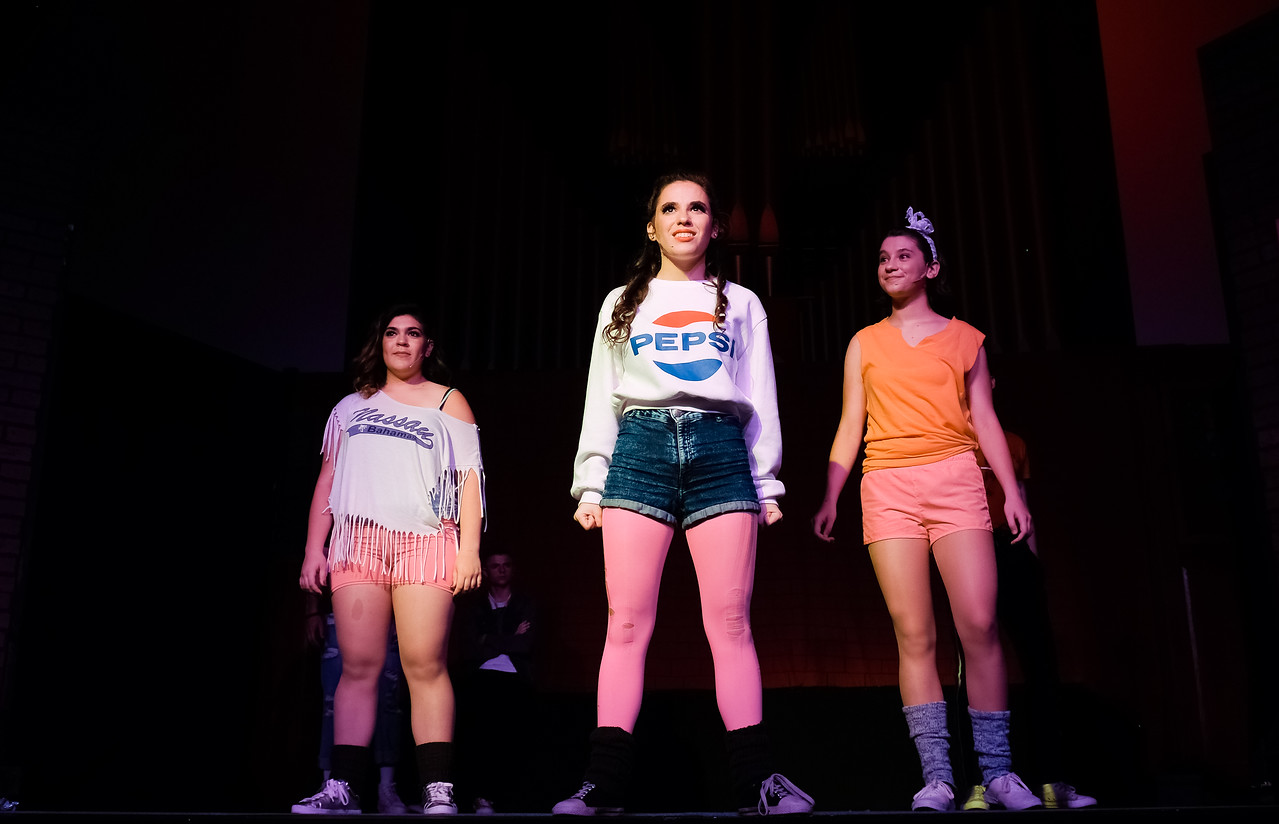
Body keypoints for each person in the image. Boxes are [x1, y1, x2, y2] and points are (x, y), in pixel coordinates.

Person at [556, 172, 813, 816]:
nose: (684, 218)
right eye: (669, 209)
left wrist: (765, 480)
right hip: (640, 449)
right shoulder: (623, 301)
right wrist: (592, 480)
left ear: (715, 226)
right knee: (625, 622)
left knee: (730, 622)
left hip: (720, 449)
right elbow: (600, 394)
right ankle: (603, 784)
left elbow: (759, 393)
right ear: (652, 227)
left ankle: (757, 782)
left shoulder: (741, 302)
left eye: (697, 208)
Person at [812, 208, 1040, 812]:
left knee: (980, 625)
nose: (890, 265)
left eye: (903, 256)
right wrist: (832, 494)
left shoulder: (966, 339)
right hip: (887, 485)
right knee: (914, 633)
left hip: (956, 479)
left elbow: (985, 418)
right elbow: (851, 423)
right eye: (883, 258)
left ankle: (998, 774)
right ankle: (937, 777)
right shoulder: (864, 342)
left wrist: (1012, 492)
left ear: (931, 268)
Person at [294, 304, 485, 815]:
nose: (402, 341)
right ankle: (343, 787)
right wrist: (314, 547)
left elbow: (470, 480)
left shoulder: (448, 400)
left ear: (427, 346)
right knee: (358, 667)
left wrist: (470, 548)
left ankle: (438, 787)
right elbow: (328, 481)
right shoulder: (349, 407)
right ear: (380, 343)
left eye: (413, 333)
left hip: (427, 541)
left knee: (425, 665)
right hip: (358, 543)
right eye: (393, 333)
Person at [959, 413, 1096, 810]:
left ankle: (1052, 781)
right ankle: (978, 784)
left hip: (1013, 551)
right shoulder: (950, 438)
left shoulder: (1013, 443)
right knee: (972, 667)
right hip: (968, 548)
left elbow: (1021, 501)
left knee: (1042, 665)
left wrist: (1032, 561)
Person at [304, 590, 410, 815]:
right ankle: (330, 784)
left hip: (387, 611)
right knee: (333, 700)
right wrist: (312, 610)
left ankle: (386, 788)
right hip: (340, 607)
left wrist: (400, 615)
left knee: (388, 700)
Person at [454, 551, 537, 814]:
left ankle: (510, 799)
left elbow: (526, 645)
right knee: (481, 740)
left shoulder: (525, 604)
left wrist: (488, 639)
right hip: (481, 678)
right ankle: (482, 797)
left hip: (516, 678)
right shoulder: (475, 607)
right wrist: (511, 636)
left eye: (506, 565)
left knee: (512, 742)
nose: (501, 570)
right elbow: (470, 648)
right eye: (495, 566)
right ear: (486, 571)